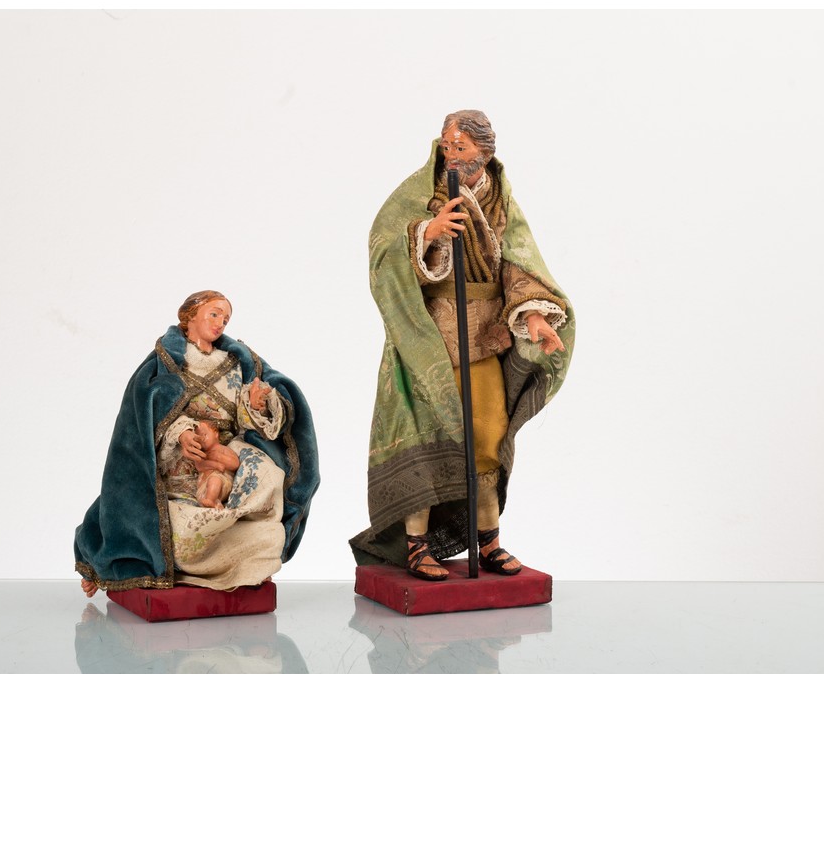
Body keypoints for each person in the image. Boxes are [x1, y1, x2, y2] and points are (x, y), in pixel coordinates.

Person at [350, 110, 575, 580]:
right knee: (426, 439)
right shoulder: (419, 193)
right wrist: (425, 233)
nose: (452, 155)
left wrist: (533, 314)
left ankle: (488, 540)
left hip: (483, 339)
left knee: (487, 438)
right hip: (429, 342)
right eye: (447, 145)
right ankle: (417, 546)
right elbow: (383, 249)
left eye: (462, 147)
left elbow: (518, 262)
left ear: (484, 151)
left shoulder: (500, 200)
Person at [76, 290, 319, 594]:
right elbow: (147, 414)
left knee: (268, 504)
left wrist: (257, 405)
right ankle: (112, 567)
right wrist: (182, 434)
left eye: (225, 319)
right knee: (172, 531)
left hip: (224, 460)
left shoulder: (235, 363)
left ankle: (246, 560)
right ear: (190, 315)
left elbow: (245, 421)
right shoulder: (166, 364)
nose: (220, 323)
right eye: (214, 314)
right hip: (176, 472)